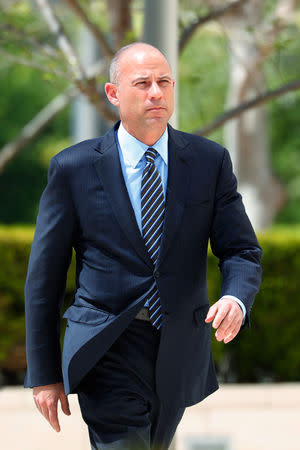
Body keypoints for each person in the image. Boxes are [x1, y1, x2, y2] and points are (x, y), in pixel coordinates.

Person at [25, 42, 262, 450]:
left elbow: (241, 250)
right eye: (143, 83)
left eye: (164, 82)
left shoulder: (209, 162)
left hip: (179, 347)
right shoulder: (74, 168)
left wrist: (236, 299)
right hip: (106, 347)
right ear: (114, 93)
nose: (156, 92)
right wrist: (44, 373)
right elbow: (44, 278)